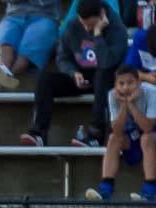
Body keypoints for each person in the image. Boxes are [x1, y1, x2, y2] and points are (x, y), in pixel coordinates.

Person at [20, 0, 127, 147]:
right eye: (84, 23)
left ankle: (96, 135)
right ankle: (39, 132)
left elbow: (107, 62)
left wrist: (97, 34)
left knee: (103, 74)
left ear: (102, 15)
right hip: (81, 77)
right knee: (45, 79)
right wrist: (73, 72)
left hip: (106, 80)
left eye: (90, 24)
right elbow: (62, 57)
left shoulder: (118, 29)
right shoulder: (73, 25)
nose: (86, 28)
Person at [85, 65, 156, 200]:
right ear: (116, 85)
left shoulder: (152, 92)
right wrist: (124, 104)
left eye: (130, 82)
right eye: (121, 83)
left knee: (147, 138)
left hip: (152, 140)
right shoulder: (112, 95)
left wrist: (132, 105)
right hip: (134, 140)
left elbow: (148, 128)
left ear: (139, 82)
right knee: (113, 138)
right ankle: (105, 189)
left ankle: (150, 191)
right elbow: (117, 130)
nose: (125, 87)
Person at [0, 0, 60, 92]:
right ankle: (2, 74)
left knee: (28, 50)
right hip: (13, 16)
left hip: (44, 16)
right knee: (6, 41)